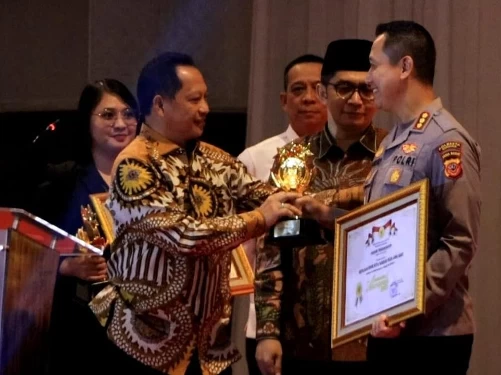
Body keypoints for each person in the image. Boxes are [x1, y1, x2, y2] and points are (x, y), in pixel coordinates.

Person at [88, 52, 303, 375]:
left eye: (205, 98)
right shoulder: (135, 165)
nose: (206, 108)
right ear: (160, 105)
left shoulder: (214, 159)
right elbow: (183, 236)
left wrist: (316, 205)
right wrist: (260, 218)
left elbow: (268, 197)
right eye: (195, 99)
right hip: (144, 345)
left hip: (207, 349)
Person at [295, 20, 482, 374]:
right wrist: (328, 214)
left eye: (374, 65)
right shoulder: (397, 139)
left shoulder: (446, 141)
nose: (368, 78)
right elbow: (383, 227)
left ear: (405, 67)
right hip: (387, 328)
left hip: (431, 335)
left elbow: (460, 240)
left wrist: (407, 306)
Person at [254, 39, 386, 375]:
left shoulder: (394, 154)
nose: (356, 100)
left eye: (366, 89)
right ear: (324, 92)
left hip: (377, 334)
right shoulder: (293, 160)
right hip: (302, 338)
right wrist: (268, 332)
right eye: (344, 88)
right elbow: (273, 247)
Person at [30, 78, 139, 374]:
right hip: (79, 325)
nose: (121, 123)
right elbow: (26, 253)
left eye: (129, 113)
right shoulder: (62, 184)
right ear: (86, 121)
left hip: (142, 326)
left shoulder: (153, 181)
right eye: (108, 115)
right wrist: (65, 267)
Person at [237, 53, 327, 375]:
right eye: (298, 89)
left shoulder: (349, 159)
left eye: (318, 88)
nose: (308, 98)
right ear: (283, 99)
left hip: (331, 324)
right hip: (267, 328)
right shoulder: (254, 158)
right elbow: (240, 244)